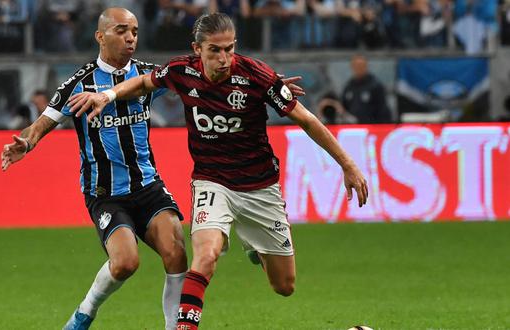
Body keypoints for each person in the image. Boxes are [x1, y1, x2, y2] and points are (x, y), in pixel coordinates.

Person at [68, 12, 369, 329]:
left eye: (230, 49)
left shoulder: (257, 76)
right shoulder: (181, 70)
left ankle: (254, 245)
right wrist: (109, 94)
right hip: (212, 182)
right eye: (215, 50)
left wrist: (347, 165)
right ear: (197, 49)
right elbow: (144, 82)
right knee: (206, 256)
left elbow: (306, 120)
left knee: (284, 286)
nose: (224, 58)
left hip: (259, 187)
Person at [0, 8, 189, 330]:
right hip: (105, 193)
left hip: (147, 184)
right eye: (121, 30)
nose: (131, 37)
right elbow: (43, 122)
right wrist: (27, 143)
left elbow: (192, 78)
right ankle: (84, 313)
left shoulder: (146, 75)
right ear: (100, 36)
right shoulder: (78, 83)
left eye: (135, 30)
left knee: (177, 253)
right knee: (126, 263)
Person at [341, 54, 393, 124]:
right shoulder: (348, 86)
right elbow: (344, 108)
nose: (358, 68)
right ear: (352, 67)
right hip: (352, 127)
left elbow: (383, 110)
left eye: (361, 66)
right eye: (356, 66)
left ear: (366, 66)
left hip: (371, 126)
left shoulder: (375, 86)